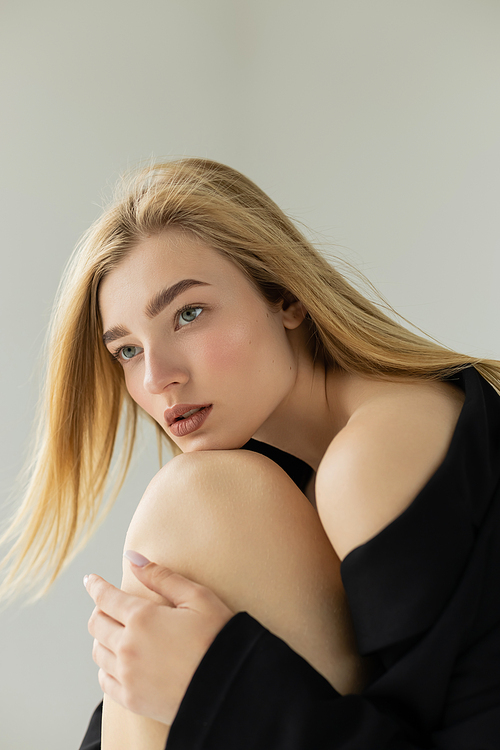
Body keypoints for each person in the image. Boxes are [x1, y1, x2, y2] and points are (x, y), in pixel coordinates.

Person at [1, 158, 499, 750]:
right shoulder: (297, 468)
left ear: (286, 298)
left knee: (192, 498)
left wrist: (214, 688)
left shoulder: (369, 462)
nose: (159, 378)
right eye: (128, 351)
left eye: (188, 314)